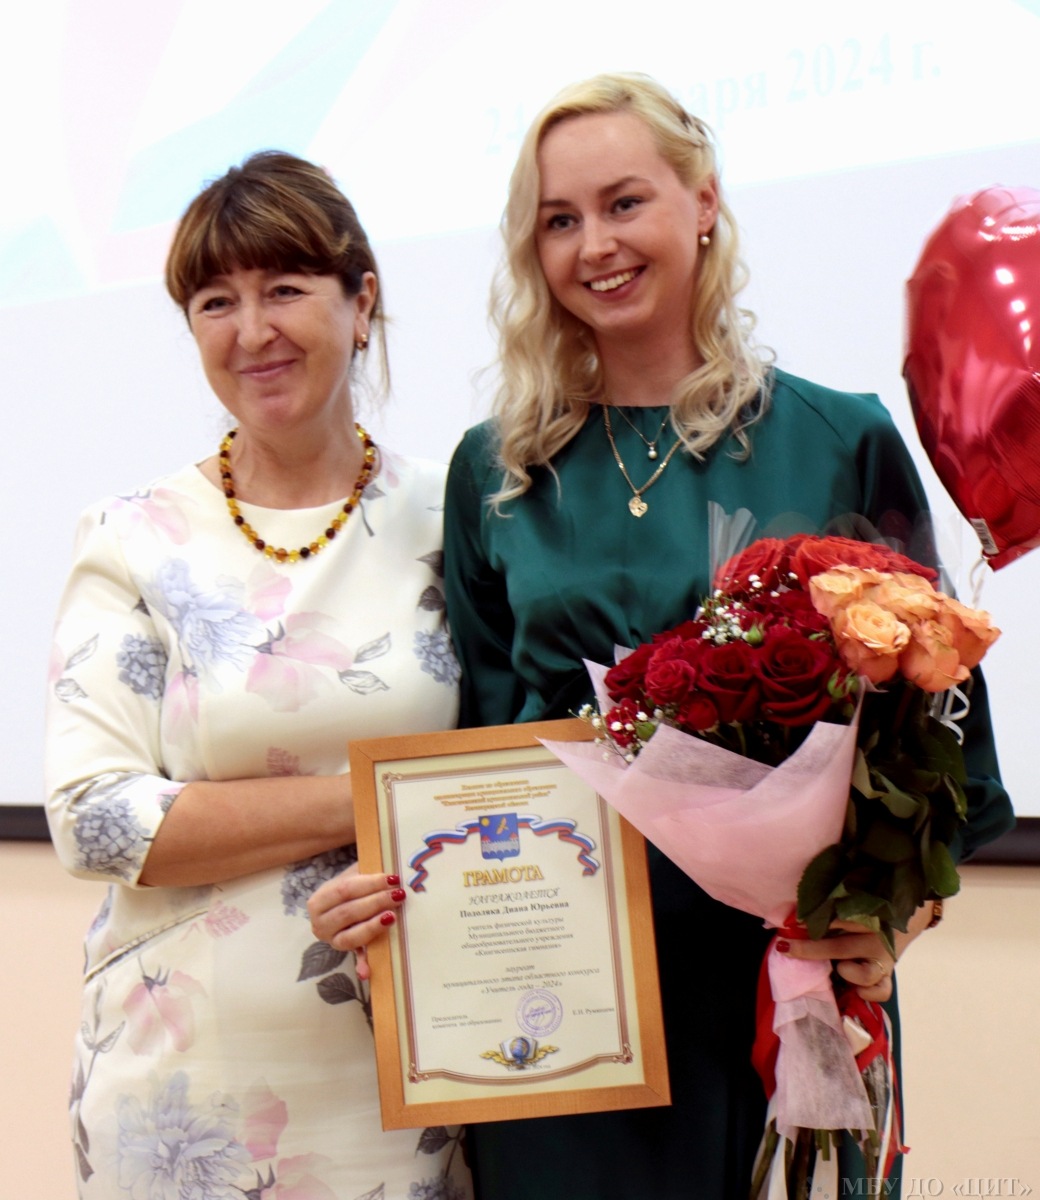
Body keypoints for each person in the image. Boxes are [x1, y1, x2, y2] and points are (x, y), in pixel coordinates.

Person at [309, 75, 1013, 1198]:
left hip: (781, 986)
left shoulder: (840, 438)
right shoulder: (496, 468)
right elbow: (478, 740)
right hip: (558, 989)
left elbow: (943, 745)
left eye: (623, 202)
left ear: (703, 203)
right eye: (559, 220)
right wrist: (402, 887)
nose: (594, 244)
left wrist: (890, 929)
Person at [44, 152, 472, 1200]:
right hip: (184, 1086)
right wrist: (379, 798)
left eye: (284, 289)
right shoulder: (133, 536)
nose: (251, 331)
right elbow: (95, 820)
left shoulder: (460, 516)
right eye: (215, 302)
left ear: (361, 302)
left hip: (413, 1069)